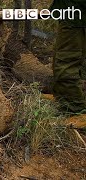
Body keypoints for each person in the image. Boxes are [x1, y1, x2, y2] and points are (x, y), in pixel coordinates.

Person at [50, 0, 86, 128]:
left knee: (66, 59)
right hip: (70, 10)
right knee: (62, 55)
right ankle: (62, 97)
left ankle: (75, 110)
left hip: (76, 10)